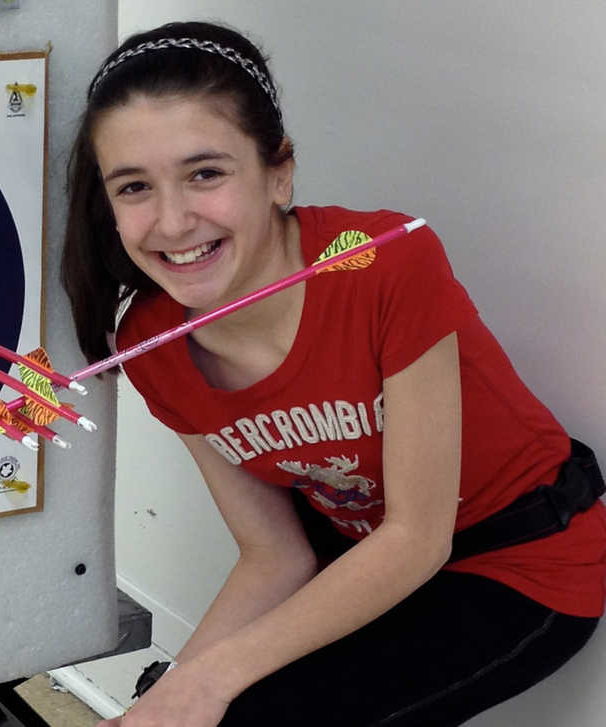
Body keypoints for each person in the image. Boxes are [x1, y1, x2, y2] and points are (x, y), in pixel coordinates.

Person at [61, 20, 606, 727]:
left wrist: (212, 679)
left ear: (278, 173)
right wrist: (172, 695)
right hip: (359, 556)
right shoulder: (151, 342)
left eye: (206, 173)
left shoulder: (383, 264)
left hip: (522, 561)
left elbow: (417, 536)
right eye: (134, 186)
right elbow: (274, 554)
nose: (172, 220)